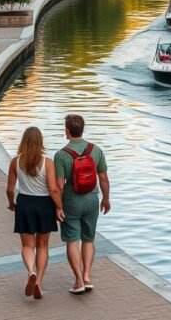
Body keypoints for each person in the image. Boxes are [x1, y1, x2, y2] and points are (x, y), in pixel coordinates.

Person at [55, 114, 110, 295]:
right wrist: (106, 199)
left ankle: (78, 280)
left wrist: (58, 206)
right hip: (92, 200)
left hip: (72, 202)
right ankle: (87, 276)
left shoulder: (61, 155)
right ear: (82, 129)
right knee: (88, 239)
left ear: (67, 131)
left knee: (72, 240)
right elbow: (103, 178)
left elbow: (59, 185)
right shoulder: (96, 150)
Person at [6, 127, 63, 300]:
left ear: (23, 141)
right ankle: (38, 281)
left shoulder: (16, 162)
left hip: (25, 203)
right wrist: (59, 207)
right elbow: (53, 190)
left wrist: (12, 203)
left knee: (27, 246)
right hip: (44, 204)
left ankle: (30, 270)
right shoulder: (48, 162)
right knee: (43, 246)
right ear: (40, 141)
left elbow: (9, 189)